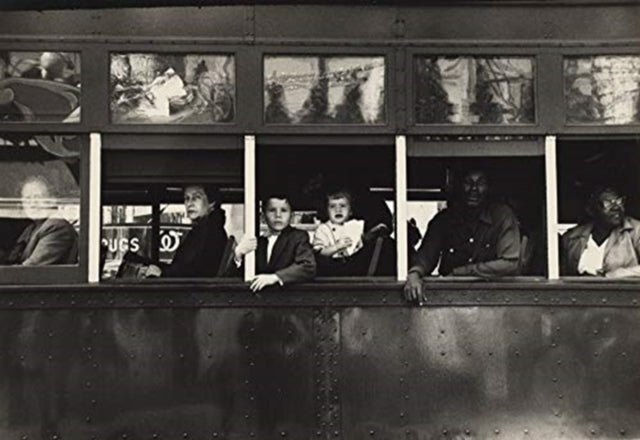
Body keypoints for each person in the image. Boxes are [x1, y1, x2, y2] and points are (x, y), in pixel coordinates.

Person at [404, 168, 521, 303]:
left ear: (489, 188)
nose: (474, 189)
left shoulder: (502, 216)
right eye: (467, 182)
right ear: (458, 186)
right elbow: (425, 258)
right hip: (449, 300)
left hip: (492, 300)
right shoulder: (444, 219)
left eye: (481, 183)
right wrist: (414, 274)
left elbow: (510, 263)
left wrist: (462, 272)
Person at [233, 193, 316, 291]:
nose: (278, 215)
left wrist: (275, 277)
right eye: (272, 210)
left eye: (284, 210)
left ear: (291, 216)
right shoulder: (259, 242)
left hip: (287, 299)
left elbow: (308, 266)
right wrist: (238, 255)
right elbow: (234, 276)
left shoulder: (298, 237)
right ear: (263, 216)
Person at [143, 184, 228, 278]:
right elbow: (183, 268)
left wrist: (162, 274)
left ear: (211, 202)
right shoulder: (203, 229)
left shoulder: (211, 232)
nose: (189, 203)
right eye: (186, 198)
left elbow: (198, 273)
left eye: (196, 197)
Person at [561, 186, 640, 278]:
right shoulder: (572, 237)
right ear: (591, 210)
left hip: (622, 291)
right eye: (607, 203)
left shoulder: (636, 230)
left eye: (619, 201)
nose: (616, 208)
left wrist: (615, 274)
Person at [1, 176, 78, 266]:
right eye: (27, 199)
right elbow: (11, 258)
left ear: (52, 200)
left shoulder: (57, 227)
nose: (32, 203)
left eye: (38, 197)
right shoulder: (31, 228)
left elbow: (30, 268)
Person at [313, 189, 365, 259]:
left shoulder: (355, 226)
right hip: (331, 265)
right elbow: (320, 253)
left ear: (350, 211)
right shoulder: (323, 229)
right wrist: (337, 246)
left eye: (342, 206)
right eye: (332, 206)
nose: (338, 210)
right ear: (327, 212)